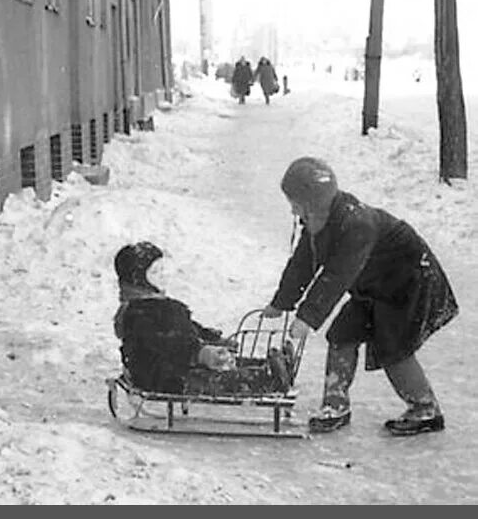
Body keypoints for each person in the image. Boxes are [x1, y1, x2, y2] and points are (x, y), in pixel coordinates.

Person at [262, 157, 459, 435]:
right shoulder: (320, 221)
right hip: (375, 287)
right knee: (342, 333)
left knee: (393, 347)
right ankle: (336, 404)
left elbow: (338, 275)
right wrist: (281, 302)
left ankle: (425, 408)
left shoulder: (357, 225)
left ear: (313, 201)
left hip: (409, 282)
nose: (293, 210)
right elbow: (304, 262)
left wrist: (308, 317)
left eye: (295, 202)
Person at [112, 242, 230, 392]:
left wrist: (209, 337)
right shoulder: (142, 313)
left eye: (162, 269)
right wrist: (199, 353)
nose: (162, 275)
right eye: (154, 272)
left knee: (240, 367)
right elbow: (166, 342)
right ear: (139, 279)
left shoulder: (155, 306)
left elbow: (183, 330)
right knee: (242, 380)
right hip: (165, 378)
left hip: (173, 371)